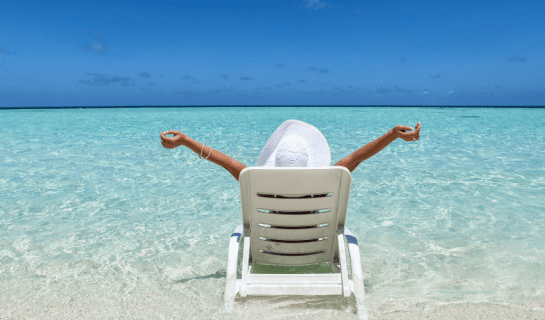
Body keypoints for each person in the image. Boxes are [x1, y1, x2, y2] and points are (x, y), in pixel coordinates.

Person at [160, 119, 421, 181]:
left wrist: (184, 141)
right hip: (315, 246)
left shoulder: (256, 180)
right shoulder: (325, 180)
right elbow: (356, 158)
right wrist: (392, 135)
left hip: (270, 247)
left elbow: (224, 160)